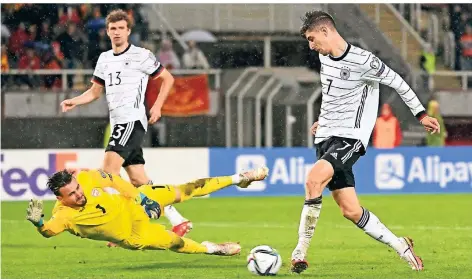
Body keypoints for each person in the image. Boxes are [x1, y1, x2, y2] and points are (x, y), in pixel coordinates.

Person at [290, 11, 441, 273]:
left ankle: (299, 251)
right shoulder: (324, 58)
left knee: (313, 180)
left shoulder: (364, 61)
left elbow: (399, 83)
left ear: (326, 31)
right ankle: (401, 246)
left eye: (312, 39)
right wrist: (322, 121)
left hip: (350, 138)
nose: (311, 46)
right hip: (326, 138)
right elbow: (331, 95)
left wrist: (421, 114)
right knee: (350, 210)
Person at [59, 9, 193, 241]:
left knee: (108, 174)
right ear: (107, 32)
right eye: (113, 29)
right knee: (139, 180)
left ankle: (118, 224)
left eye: (121, 28)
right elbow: (94, 92)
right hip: (118, 123)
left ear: (128, 31)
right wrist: (75, 101)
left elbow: (167, 78)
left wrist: (158, 106)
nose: (117, 32)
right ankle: (177, 219)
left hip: (131, 121)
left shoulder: (142, 55)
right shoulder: (104, 59)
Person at [26, 166, 269, 255]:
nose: (79, 193)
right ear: (60, 198)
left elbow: (114, 180)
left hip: (133, 204)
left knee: (184, 190)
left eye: (77, 188)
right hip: (131, 235)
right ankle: (213, 248)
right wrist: (38, 223)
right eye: (72, 194)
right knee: (175, 242)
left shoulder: (87, 179)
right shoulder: (63, 216)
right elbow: (48, 231)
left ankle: (240, 178)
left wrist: (141, 197)